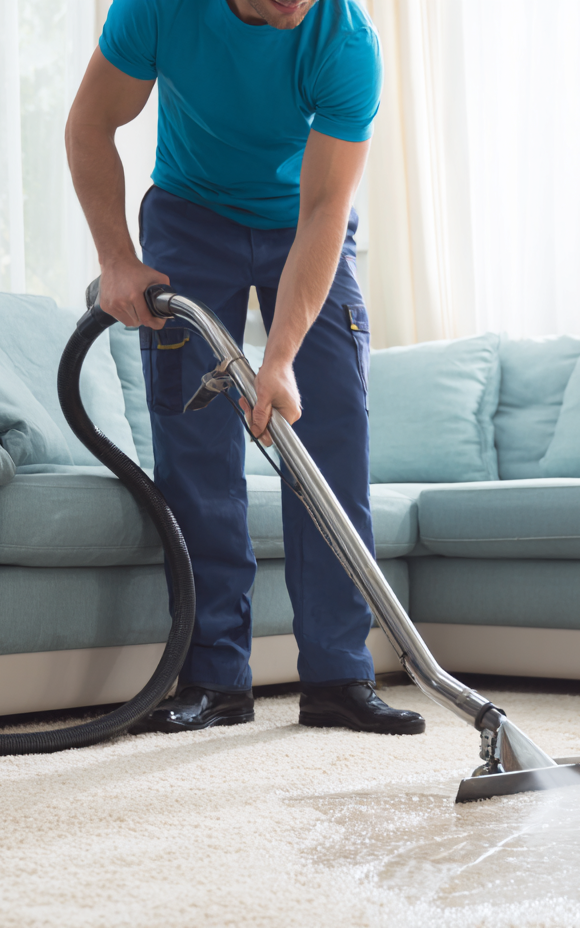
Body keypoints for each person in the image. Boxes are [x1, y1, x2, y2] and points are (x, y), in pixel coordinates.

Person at [66, 0, 424, 735]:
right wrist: (116, 259)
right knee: (196, 451)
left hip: (305, 222)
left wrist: (281, 356)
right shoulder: (158, 9)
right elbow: (89, 124)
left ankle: (339, 674)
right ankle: (213, 678)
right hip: (190, 216)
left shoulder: (346, 40)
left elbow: (325, 208)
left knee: (328, 439)